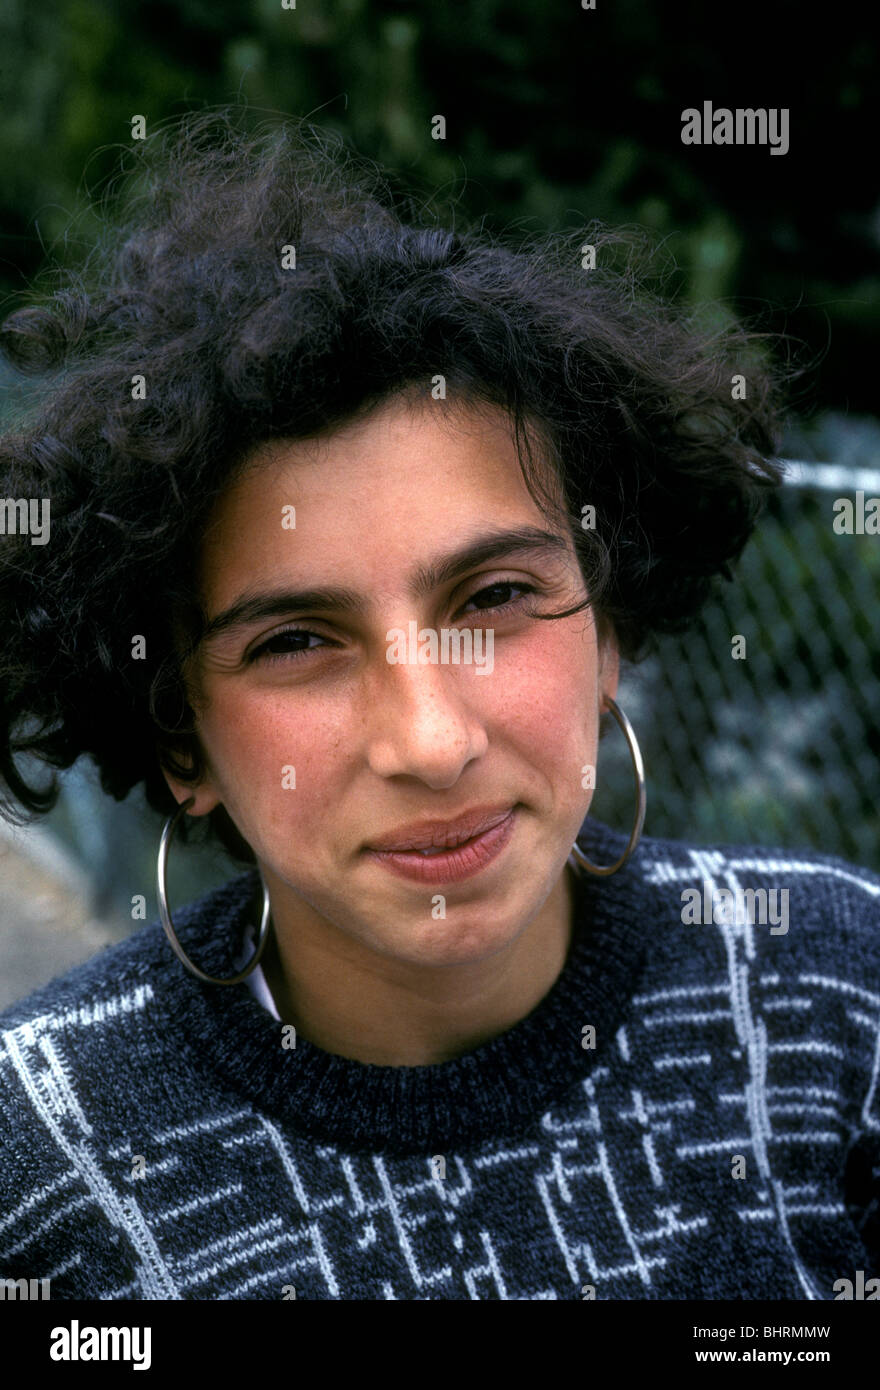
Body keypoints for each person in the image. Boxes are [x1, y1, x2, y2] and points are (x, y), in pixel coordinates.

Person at [0, 110, 877, 1302]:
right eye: (298, 641)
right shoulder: (41, 1156)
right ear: (177, 735)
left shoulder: (841, 1000)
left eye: (498, 595)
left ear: (608, 625)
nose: (430, 739)